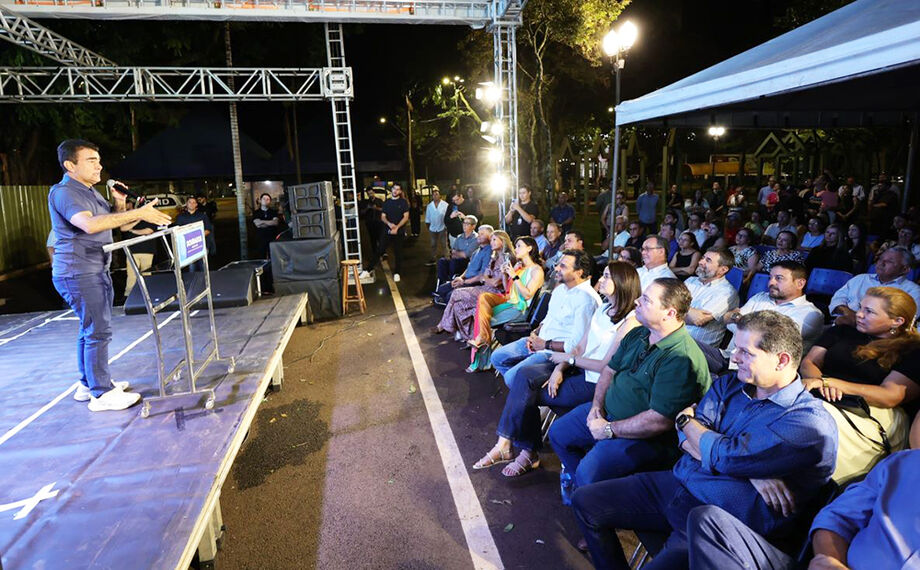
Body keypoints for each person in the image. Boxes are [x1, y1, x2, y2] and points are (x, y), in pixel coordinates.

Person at [573, 311, 837, 570]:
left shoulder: (808, 424)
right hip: (678, 483)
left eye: (746, 352)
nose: (734, 357)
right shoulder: (731, 384)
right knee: (585, 502)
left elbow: (725, 454)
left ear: (781, 360)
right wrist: (747, 470)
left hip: (721, 520)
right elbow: (688, 438)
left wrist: (689, 423)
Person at [472, 262, 641, 476]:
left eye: (607, 277)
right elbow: (580, 347)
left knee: (525, 391)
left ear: (622, 283)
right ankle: (513, 447)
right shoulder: (604, 309)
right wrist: (559, 368)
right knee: (524, 378)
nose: (601, 280)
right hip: (577, 369)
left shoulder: (630, 322)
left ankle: (521, 450)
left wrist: (566, 361)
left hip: (597, 382)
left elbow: (604, 365)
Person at [548, 278, 711, 491]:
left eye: (646, 300)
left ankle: (589, 495)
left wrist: (607, 429)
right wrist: (597, 406)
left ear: (669, 313)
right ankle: (586, 490)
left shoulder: (681, 358)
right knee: (559, 434)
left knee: (588, 474)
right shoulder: (639, 333)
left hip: (646, 437)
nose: (636, 302)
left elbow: (659, 422)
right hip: (607, 413)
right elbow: (608, 371)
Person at [49, 139, 172, 411]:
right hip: (79, 271)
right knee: (97, 331)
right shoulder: (65, 192)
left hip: (94, 268)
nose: (99, 166)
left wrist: (120, 203)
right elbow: (90, 225)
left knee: (89, 330)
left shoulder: (90, 191)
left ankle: (88, 383)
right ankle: (101, 393)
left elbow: (120, 224)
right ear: (70, 165)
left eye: (99, 160)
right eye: (91, 160)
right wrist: (141, 212)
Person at [800, 287, 918, 482]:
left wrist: (833, 383)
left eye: (869, 311)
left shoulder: (912, 350)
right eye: (860, 307)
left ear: (897, 321)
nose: (859, 314)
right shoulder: (842, 331)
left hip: (871, 409)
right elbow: (810, 362)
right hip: (819, 391)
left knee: (809, 423)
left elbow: (890, 395)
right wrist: (819, 383)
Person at [490, 249, 600, 385]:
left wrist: (544, 345)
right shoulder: (561, 289)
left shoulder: (586, 300)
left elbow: (576, 345)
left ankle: (524, 391)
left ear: (579, 272)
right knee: (496, 357)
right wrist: (535, 333)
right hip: (540, 342)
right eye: (558, 263)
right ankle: (524, 391)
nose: (556, 268)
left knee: (511, 377)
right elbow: (548, 319)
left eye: (563, 266)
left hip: (554, 354)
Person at [698, 261, 824, 375]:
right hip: (727, 357)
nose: (771, 283)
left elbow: (768, 340)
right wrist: (739, 320)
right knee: (683, 344)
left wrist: (739, 319)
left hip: (757, 371)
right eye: (770, 277)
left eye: (779, 278)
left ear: (800, 283)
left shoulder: (810, 314)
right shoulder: (760, 297)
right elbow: (728, 321)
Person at [467, 237, 546, 372]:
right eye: (515, 246)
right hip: (509, 301)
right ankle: (483, 339)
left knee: (482, 319)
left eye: (519, 246)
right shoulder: (519, 267)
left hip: (519, 308)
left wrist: (514, 275)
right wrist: (505, 275)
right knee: (483, 299)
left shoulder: (536, 270)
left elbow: (527, 295)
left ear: (529, 248)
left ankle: (482, 354)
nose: (516, 249)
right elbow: (508, 289)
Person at [432, 229, 511, 340]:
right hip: (485, 287)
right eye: (491, 239)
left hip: (495, 293)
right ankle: (469, 336)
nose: (491, 242)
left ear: (502, 242)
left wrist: (486, 278)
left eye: (494, 240)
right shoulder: (494, 257)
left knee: (455, 294)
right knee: (458, 305)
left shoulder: (506, 259)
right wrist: (486, 278)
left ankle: (444, 325)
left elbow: (494, 282)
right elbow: (486, 277)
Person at [830, 247, 920, 325]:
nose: (881, 263)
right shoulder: (860, 279)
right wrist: (848, 313)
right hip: (842, 325)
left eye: (890, 261)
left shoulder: (913, 291)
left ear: (904, 269)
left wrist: (859, 320)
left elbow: (906, 319)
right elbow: (837, 299)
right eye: (880, 259)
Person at [684, 249, 739, 347]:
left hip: (696, 348)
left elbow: (698, 320)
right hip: (673, 337)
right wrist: (690, 311)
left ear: (723, 270)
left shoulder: (726, 293)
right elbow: (667, 304)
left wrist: (672, 310)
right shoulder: (690, 281)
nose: (700, 262)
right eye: (702, 258)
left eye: (708, 260)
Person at [431, 224, 494, 305]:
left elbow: (481, 275)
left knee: (449, 296)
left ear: (490, 236)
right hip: (465, 280)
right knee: (441, 289)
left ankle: (450, 302)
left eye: (482, 234)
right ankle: (448, 299)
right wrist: (460, 278)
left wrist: (464, 282)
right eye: (479, 233)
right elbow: (469, 268)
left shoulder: (488, 252)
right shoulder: (477, 251)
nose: (479, 235)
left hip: (474, 283)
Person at [364, 183, 410, 282]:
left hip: (399, 231)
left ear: (400, 191)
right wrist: (390, 224)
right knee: (380, 250)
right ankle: (368, 270)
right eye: (394, 188)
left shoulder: (403, 202)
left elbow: (405, 217)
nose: (395, 191)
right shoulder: (387, 202)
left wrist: (397, 227)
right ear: (391, 189)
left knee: (398, 253)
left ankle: (397, 273)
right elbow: (383, 216)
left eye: (398, 189)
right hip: (387, 231)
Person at [121, 200, 159, 297]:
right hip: (132, 251)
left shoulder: (152, 218)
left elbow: (148, 231)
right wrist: (137, 219)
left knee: (146, 274)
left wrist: (133, 231)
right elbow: (123, 228)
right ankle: (129, 296)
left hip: (147, 250)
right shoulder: (131, 217)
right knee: (131, 275)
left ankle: (146, 295)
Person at [436, 215, 479, 286]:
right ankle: (442, 283)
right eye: (464, 223)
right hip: (457, 260)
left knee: (454, 261)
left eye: (467, 224)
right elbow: (453, 252)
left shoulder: (476, 239)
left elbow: (466, 255)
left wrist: (457, 253)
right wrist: (459, 253)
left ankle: (451, 283)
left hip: (468, 262)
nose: (464, 226)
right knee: (442, 261)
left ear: (473, 226)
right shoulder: (459, 237)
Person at [174, 196, 214, 270]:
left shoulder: (202, 216)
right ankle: (194, 281)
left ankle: (204, 281)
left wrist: (197, 237)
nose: (192, 204)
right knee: (192, 268)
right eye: (190, 202)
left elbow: (208, 229)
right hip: (188, 248)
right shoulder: (180, 217)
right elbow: (177, 231)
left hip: (201, 245)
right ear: (186, 204)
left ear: (196, 205)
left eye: (194, 202)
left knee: (204, 267)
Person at [252, 193, 281, 259]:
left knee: (273, 258)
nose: (266, 200)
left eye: (268, 199)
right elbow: (257, 224)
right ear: (260, 200)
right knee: (261, 258)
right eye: (264, 199)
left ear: (270, 201)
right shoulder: (256, 212)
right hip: (260, 239)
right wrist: (270, 222)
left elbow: (275, 222)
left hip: (272, 238)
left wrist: (262, 222)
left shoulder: (273, 212)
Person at [424, 188, 448, 265]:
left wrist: (446, 227)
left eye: (437, 194)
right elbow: (427, 218)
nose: (435, 196)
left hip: (442, 228)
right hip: (432, 228)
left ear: (440, 195)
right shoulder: (429, 206)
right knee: (433, 244)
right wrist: (429, 227)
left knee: (444, 244)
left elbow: (447, 216)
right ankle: (433, 258)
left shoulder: (445, 205)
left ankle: (447, 258)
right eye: (433, 195)